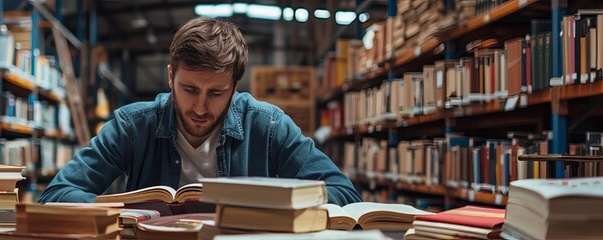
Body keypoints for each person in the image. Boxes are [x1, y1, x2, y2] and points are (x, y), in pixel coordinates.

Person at [39, 17, 362, 205]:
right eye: (189, 89)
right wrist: (120, 211)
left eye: (216, 93)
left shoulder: (269, 125)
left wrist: (277, 206)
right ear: (170, 77)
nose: (200, 107)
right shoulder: (133, 126)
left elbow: (344, 193)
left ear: (235, 87)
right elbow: (57, 193)